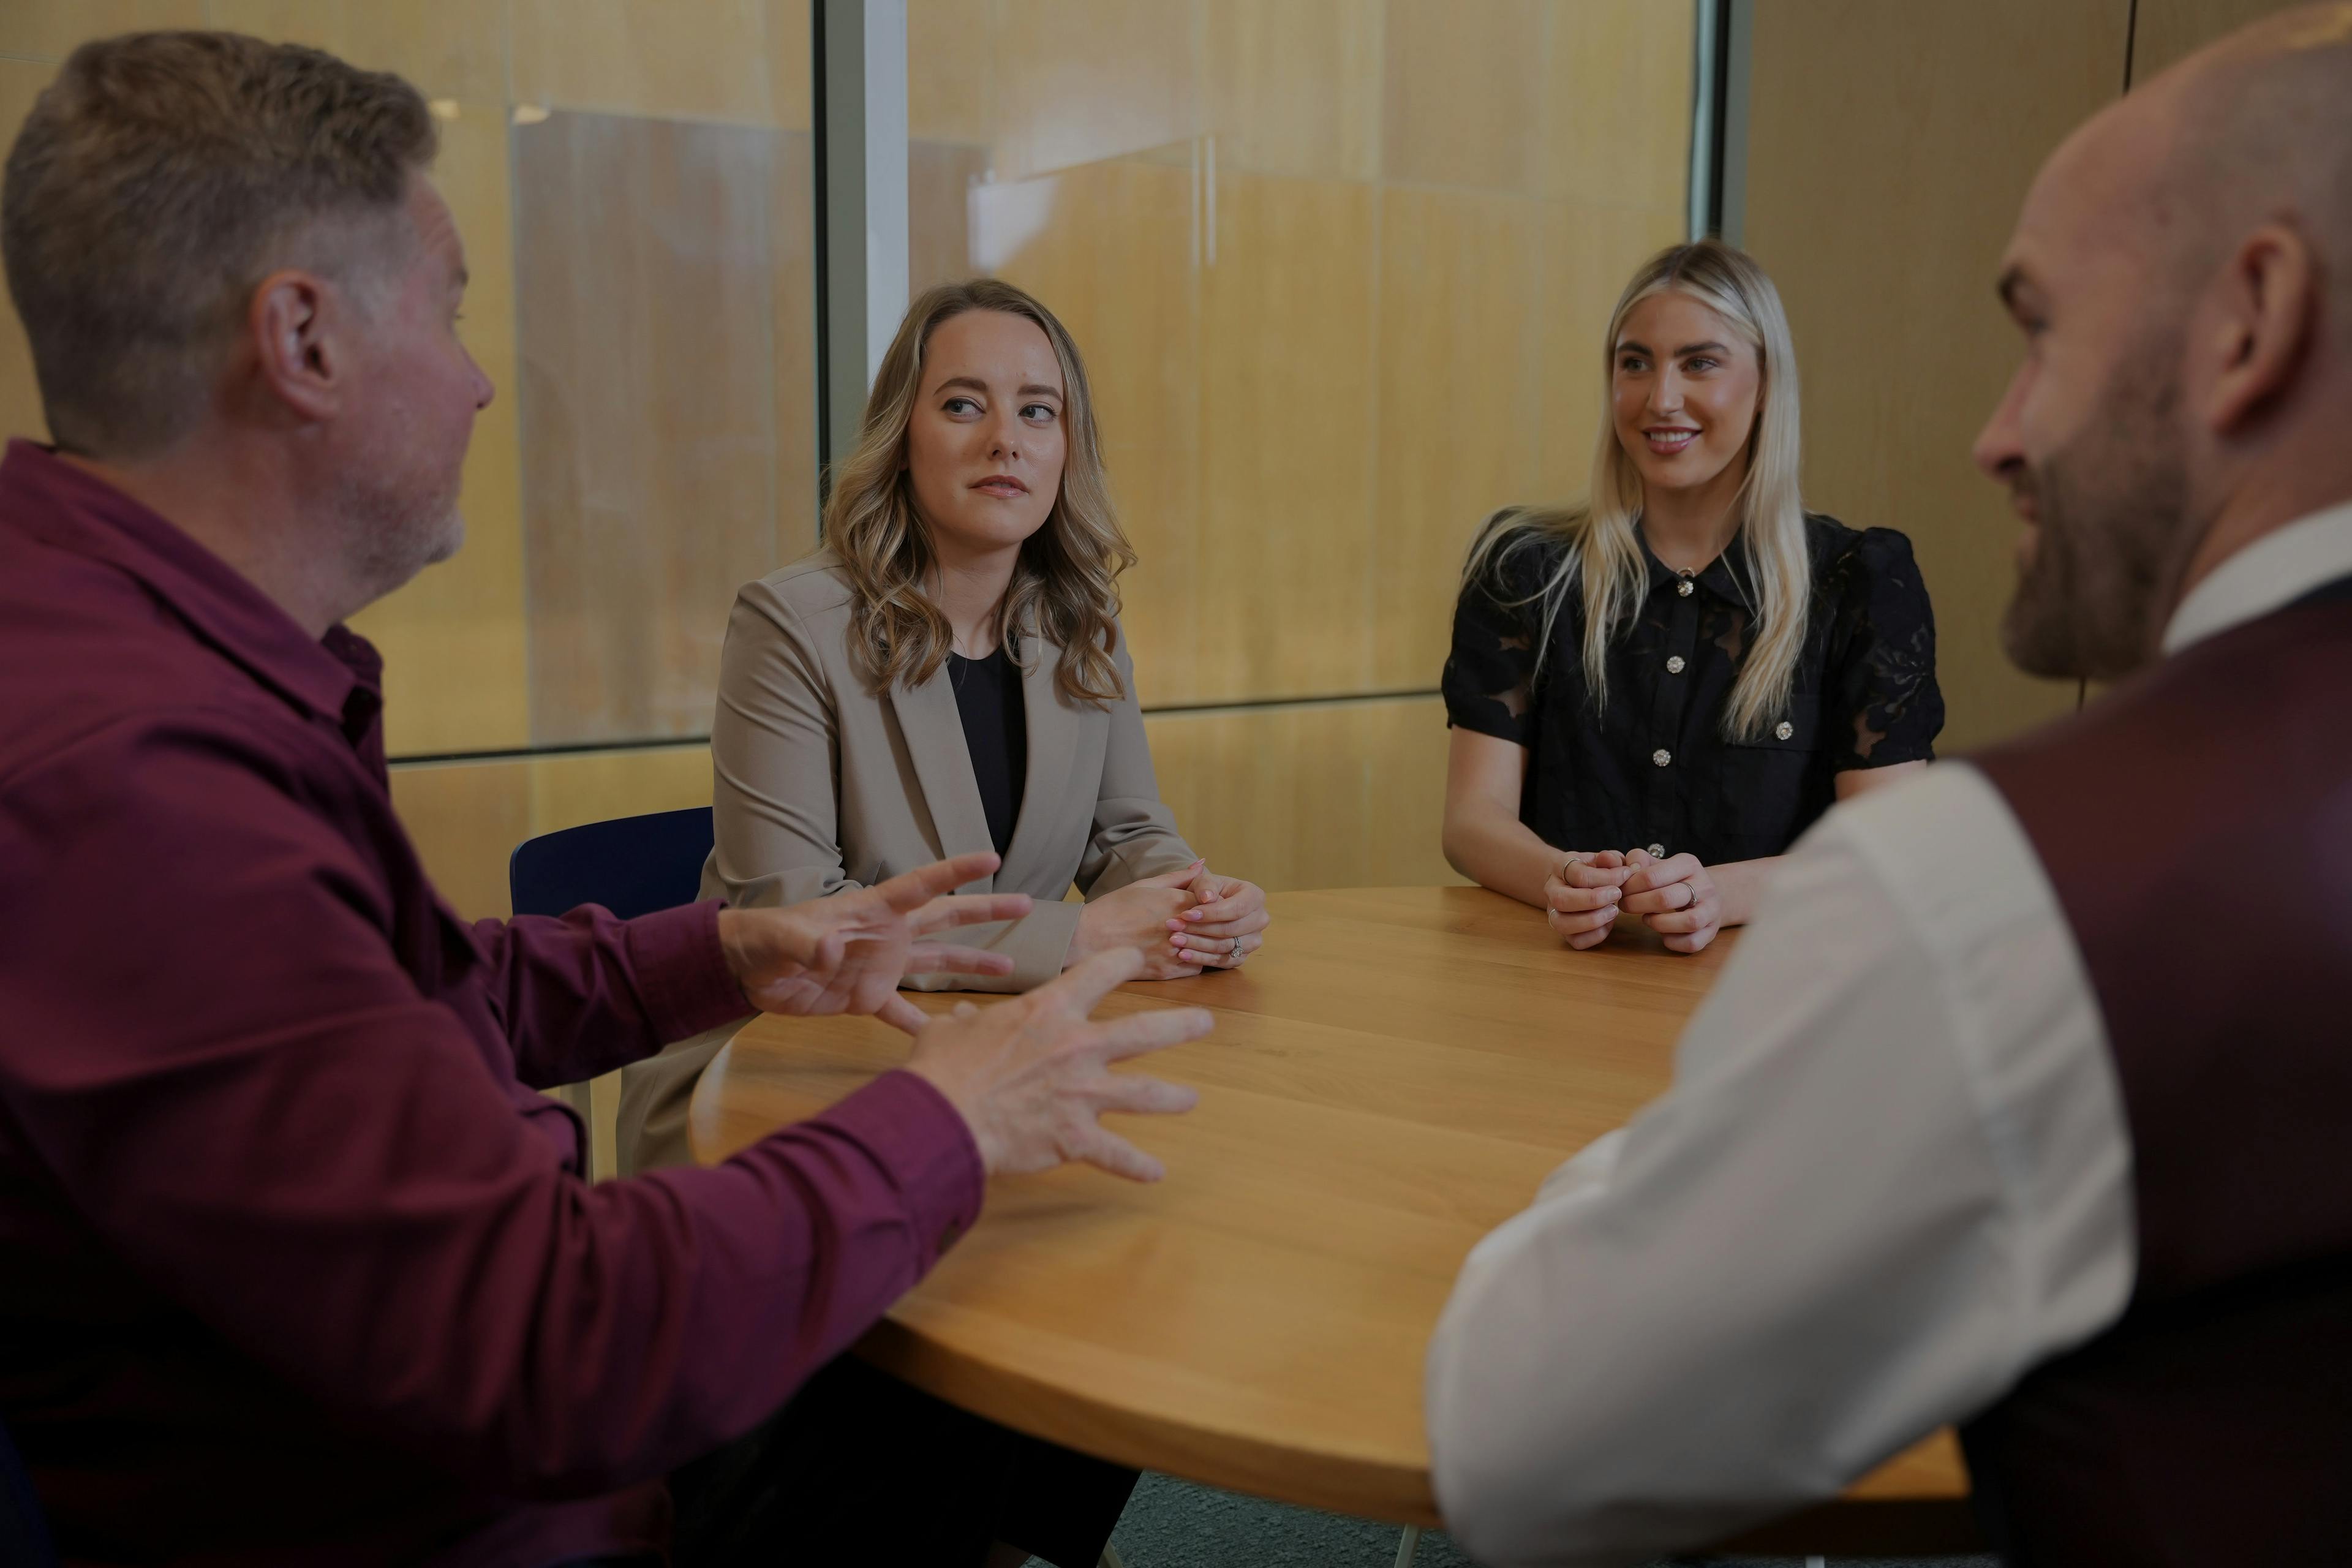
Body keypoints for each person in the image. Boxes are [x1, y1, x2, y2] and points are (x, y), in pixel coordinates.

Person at [0, 32, 1208, 1568]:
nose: (482, 375)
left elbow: (405, 994)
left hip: (424, 1410)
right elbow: (553, 1345)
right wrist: (950, 1117)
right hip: (484, 1505)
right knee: (1014, 1336)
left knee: (1028, 1347)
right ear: (299, 340)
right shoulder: (136, 777)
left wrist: (726, 951)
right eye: (446, 311)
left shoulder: (145, 659)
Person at [1425, 7, 2352, 1564]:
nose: (1994, 434)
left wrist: (1634, 1162)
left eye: (2039, 330)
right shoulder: (1536, 568)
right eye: (1630, 363)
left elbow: (1524, 1435)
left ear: (2249, 316)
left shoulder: (1993, 884)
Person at [619, 277, 1270, 1173]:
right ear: (902, 438)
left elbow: (1127, 834)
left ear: (1066, 450)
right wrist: (1075, 937)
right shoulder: (791, 624)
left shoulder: (1083, 622)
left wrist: (1199, 905)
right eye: (965, 405)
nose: (1005, 439)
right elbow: (802, 919)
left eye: (1038, 412)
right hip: (778, 1072)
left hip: (986, 1053)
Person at [1441, 239, 1942, 954]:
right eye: (1635, 362)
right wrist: (1561, 875)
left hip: (1774, 994)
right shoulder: (1526, 567)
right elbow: (1472, 818)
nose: (1660, 399)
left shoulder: (1861, 580)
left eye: (1700, 362)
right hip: (1560, 993)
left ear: (1766, 382)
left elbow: (1889, 850)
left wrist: (1720, 893)